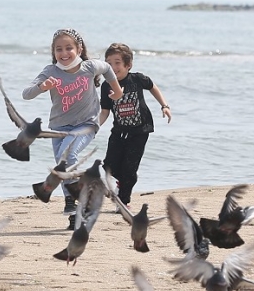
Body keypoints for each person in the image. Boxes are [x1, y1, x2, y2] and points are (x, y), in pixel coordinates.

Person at [23, 28, 123, 230]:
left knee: (66, 157)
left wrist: (118, 90)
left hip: (86, 124)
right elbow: (26, 94)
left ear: (79, 49)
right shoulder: (51, 71)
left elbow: (106, 68)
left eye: (69, 48)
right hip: (59, 127)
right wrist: (42, 87)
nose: (64, 53)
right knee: (62, 167)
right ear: (53, 52)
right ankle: (74, 209)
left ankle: (75, 200)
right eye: (59, 49)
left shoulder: (89, 67)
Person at [99, 43, 172, 209]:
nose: (113, 67)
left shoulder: (137, 79)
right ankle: (123, 181)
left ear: (128, 65)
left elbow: (153, 86)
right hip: (119, 131)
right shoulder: (106, 86)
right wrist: (94, 126)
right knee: (109, 166)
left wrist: (164, 106)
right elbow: (105, 111)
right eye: (108, 63)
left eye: (117, 62)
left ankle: (123, 202)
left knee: (130, 170)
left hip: (140, 131)